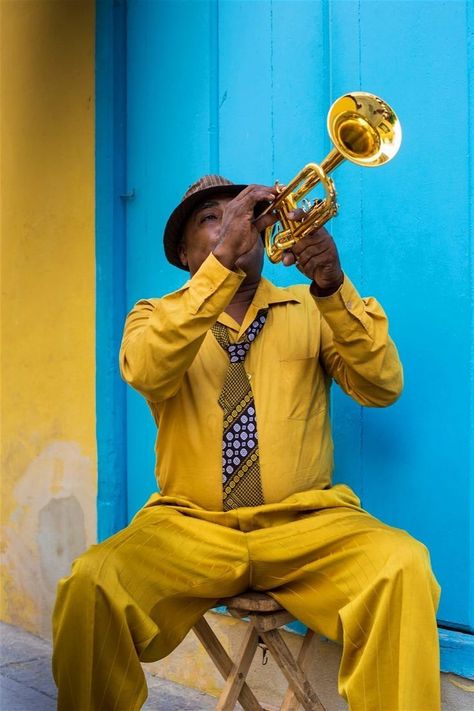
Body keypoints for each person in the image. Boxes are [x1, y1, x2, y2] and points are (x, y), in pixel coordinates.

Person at [52, 175, 441, 711]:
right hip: (190, 527)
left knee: (403, 565)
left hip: (305, 525)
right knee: (90, 586)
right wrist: (218, 274)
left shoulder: (312, 307)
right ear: (187, 256)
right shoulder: (154, 315)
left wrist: (331, 283)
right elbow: (146, 369)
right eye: (212, 218)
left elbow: (382, 385)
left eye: (242, 213)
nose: (235, 222)